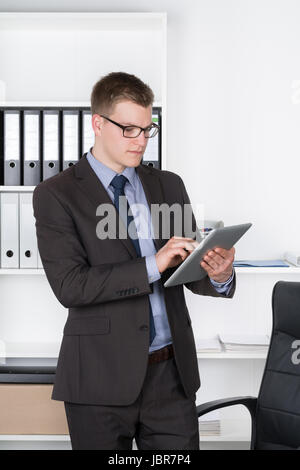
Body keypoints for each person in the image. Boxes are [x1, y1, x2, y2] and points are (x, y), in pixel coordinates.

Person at [33, 72, 235, 450]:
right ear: (97, 123)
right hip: (98, 380)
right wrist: (152, 265)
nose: (140, 140)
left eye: (147, 129)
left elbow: (187, 268)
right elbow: (70, 286)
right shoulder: (56, 195)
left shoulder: (167, 185)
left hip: (171, 377)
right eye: (128, 129)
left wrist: (218, 274)